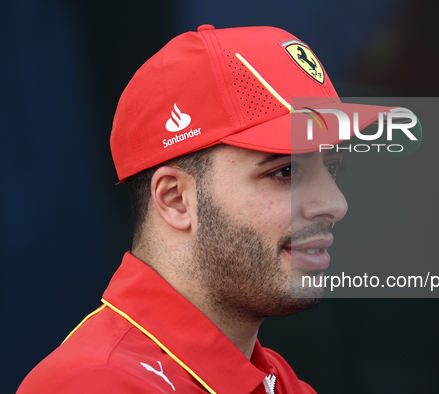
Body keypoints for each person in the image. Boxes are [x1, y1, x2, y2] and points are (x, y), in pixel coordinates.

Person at [17, 24, 359, 393]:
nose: (335, 204)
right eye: (285, 171)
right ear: (176, 199)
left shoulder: (279, 381)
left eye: (333, 168)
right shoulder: (96, 383)